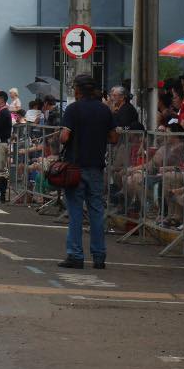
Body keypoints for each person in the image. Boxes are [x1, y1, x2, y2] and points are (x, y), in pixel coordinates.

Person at [59, 75, 118, 269]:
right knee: (96, 212)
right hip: (96, 166)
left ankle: (75, 255)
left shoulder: (73, 109)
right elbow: (114, 137)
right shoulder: (104, 110)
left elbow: (64, 137)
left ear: (78, 90)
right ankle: (99, 256)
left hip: (75, 167)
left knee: (75, 212)